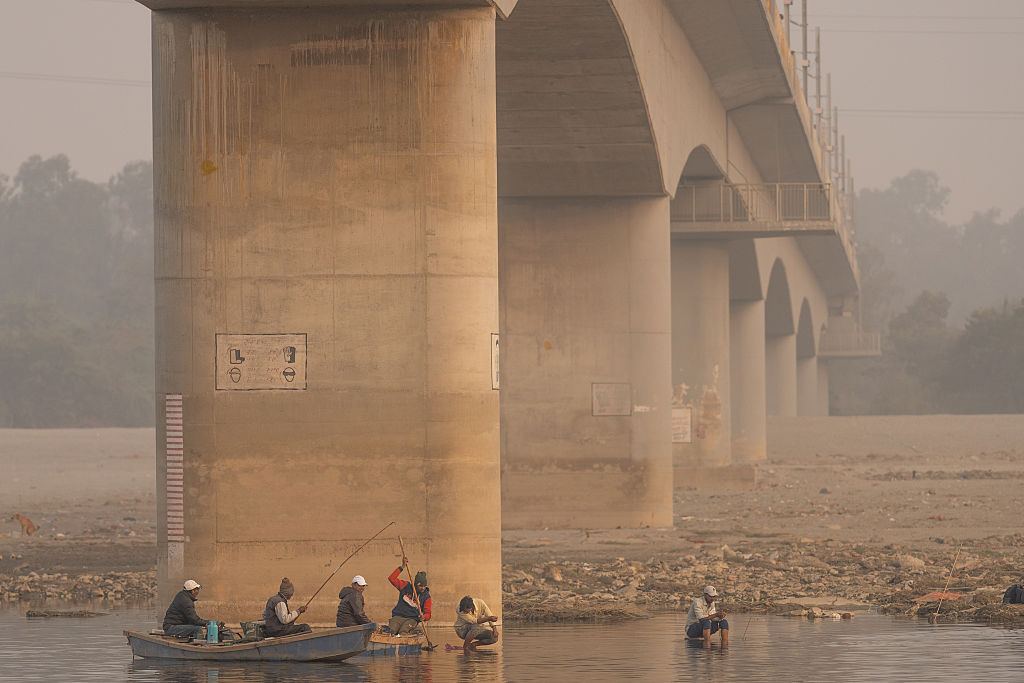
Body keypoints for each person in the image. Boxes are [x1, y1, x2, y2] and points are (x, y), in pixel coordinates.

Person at [387, 555, 431, 634]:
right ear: (415, 584)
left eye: (424, 586)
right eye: (420, 586)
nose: (423, 588)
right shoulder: (405, 586)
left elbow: (428, 613)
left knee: (403, 632)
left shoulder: (426, 597)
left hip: (412, 619)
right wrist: (402, 566)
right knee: (391, 631)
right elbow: (391, 578)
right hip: (398, 616)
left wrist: (424, 617)